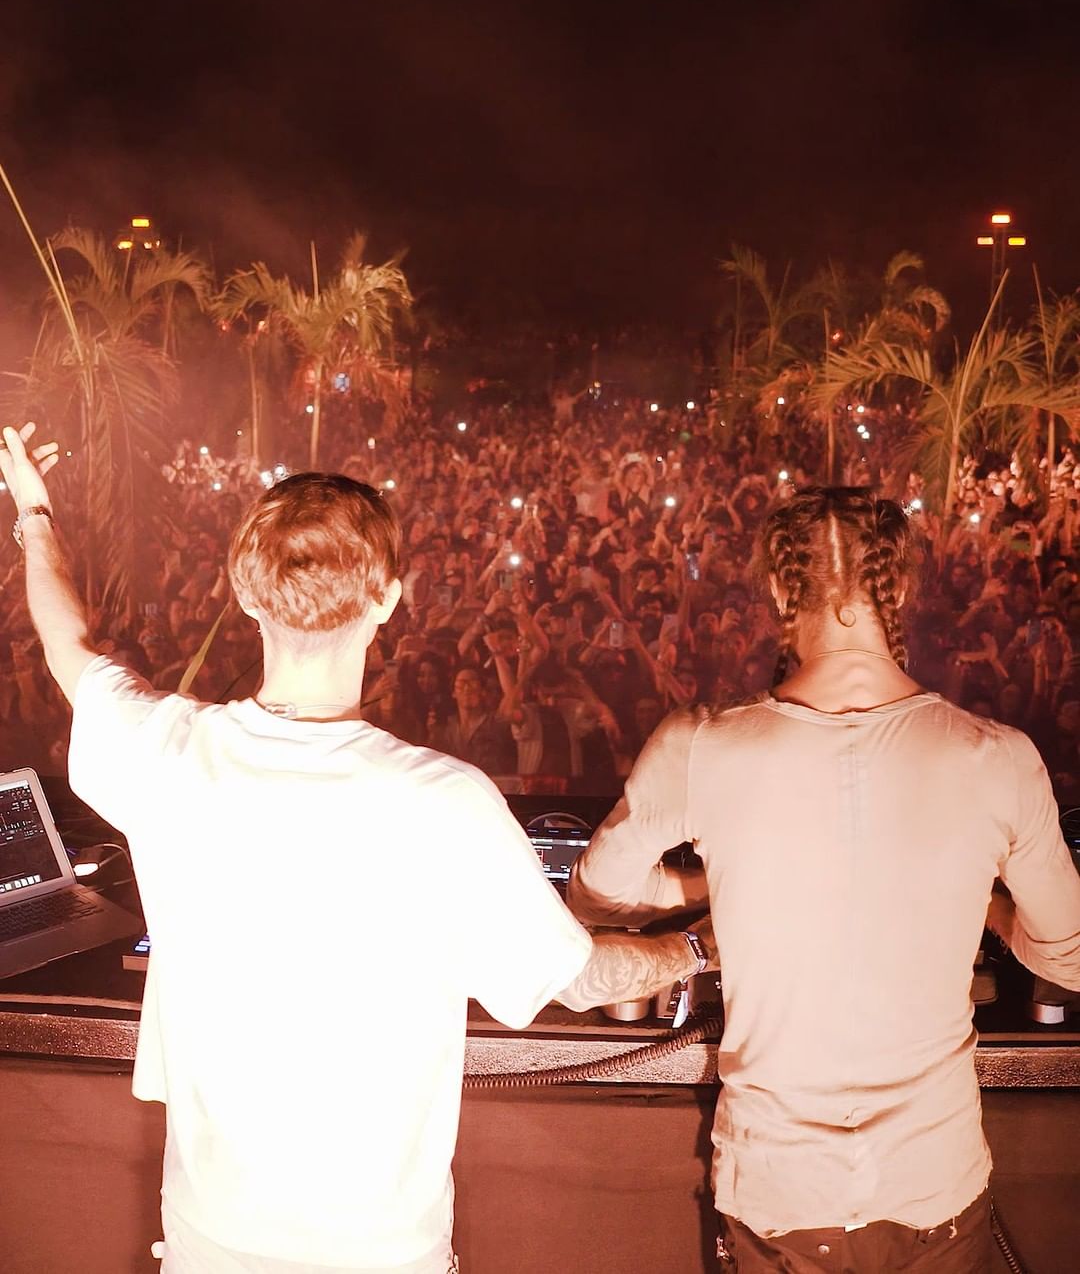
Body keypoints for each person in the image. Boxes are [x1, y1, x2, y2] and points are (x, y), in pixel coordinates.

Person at [0, 422, 716, 1274]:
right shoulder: (445, 801)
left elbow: (66, 643)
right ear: (389, 599)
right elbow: (581, 979)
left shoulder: (165, 750)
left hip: (211, 1243)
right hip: (382, 1255)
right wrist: (700, 947)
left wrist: (34, 514)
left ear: (244, 594)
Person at [567, 485, 1080, 1272]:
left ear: (780, 590)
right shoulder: (997, 757)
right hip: (934, 1187)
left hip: (778, 1195)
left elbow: (598, 893)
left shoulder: (703, 746)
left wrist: (717, 889)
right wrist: (990, 906)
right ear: (896, 586)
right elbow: (1069, 956)